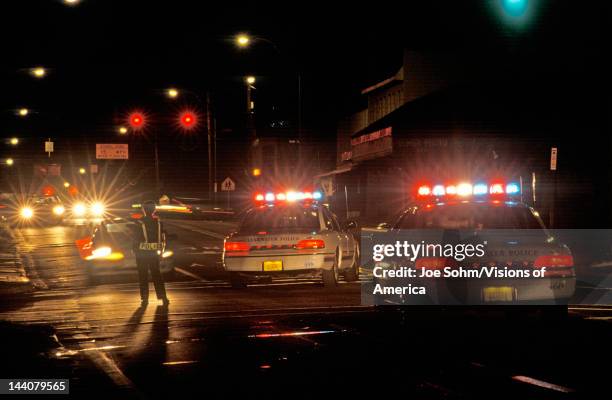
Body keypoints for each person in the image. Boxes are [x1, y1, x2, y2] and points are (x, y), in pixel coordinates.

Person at [132, 201, 169, 307]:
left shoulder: (139, 223)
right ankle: (163, 297)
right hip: (154, 254)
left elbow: (135, 238)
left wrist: (134, 249)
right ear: (154, 210)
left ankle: (144, 298)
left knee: (143, 276)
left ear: (143, 210)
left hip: (141, 254)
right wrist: (161, 251)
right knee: (157, 275)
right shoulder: (158, 223)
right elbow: (163, 238)